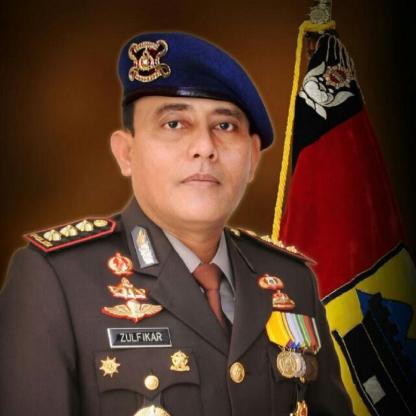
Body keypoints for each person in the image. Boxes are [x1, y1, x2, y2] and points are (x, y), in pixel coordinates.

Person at [0, 32, 353, 416]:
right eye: (174, 124)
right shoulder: (55, 279)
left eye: (225, 126)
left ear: (252, 157)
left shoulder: (291, 279)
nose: (205, 147)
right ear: (126, 153)